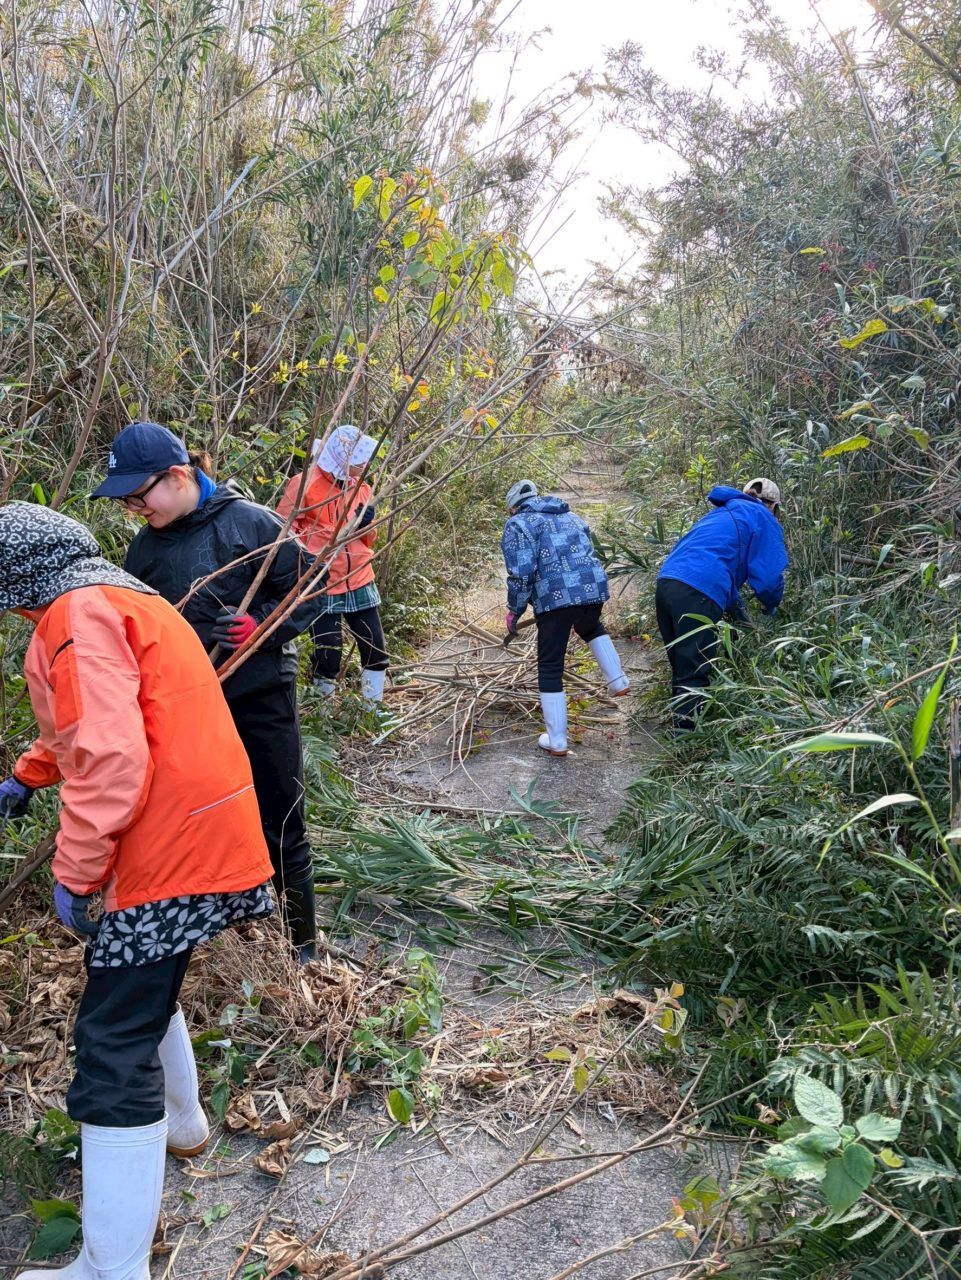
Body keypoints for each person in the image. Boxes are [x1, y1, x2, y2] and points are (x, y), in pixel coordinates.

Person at [0, 502, 273, 1280]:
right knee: (143, 987)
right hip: (206, 831)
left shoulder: (75, 614)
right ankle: (184, 1126)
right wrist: (26, 778)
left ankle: (109, 1270)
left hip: (165, 848)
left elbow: (111, 757)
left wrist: (76, 871)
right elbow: (93, 724)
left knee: (111, 1047)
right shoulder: (122, 595)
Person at [90, 421, 322, 962]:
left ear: (177, 475)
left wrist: (260, 627)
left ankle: (303, 944)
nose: (134, 508)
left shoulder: (250, 523)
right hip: (188, 705)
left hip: (260, 694)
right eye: (125, 500)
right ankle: (229, 924)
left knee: (280, 815)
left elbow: (312, 586)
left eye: (137, 495)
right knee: (208, 819)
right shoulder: (143, 551)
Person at [501, 479, 630, 757]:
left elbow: (522, 571)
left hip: (555, 598)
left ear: (513, 507)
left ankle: (557, 740)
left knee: (549, 666)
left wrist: (514, 610)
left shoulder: (519, 523)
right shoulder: (570, 515)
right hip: (591, 588)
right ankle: (618, 680)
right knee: (591, 626)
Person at [655, 477, 788, 732]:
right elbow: (769, 578)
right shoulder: (762, 517)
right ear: (773, 506)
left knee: (682, 666)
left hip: (667, 584)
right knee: (695, 670)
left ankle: (680, 728)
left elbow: (717, 572)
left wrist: (744, 622)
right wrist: (771, 606)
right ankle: (684, 741)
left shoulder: (722, 513)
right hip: (698, 591)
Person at [277, 424, 389, 704]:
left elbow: (368, 541)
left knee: (375, 649)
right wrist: (322, 544)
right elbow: (281, 528)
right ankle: (322, 716)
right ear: (341, 456)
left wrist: (367, 524)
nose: (365, 463)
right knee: (328, 653)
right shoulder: (305, 482)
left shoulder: (361, 487)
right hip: (322, 580)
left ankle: (373, 712)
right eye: (358, 457)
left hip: (360, 577)